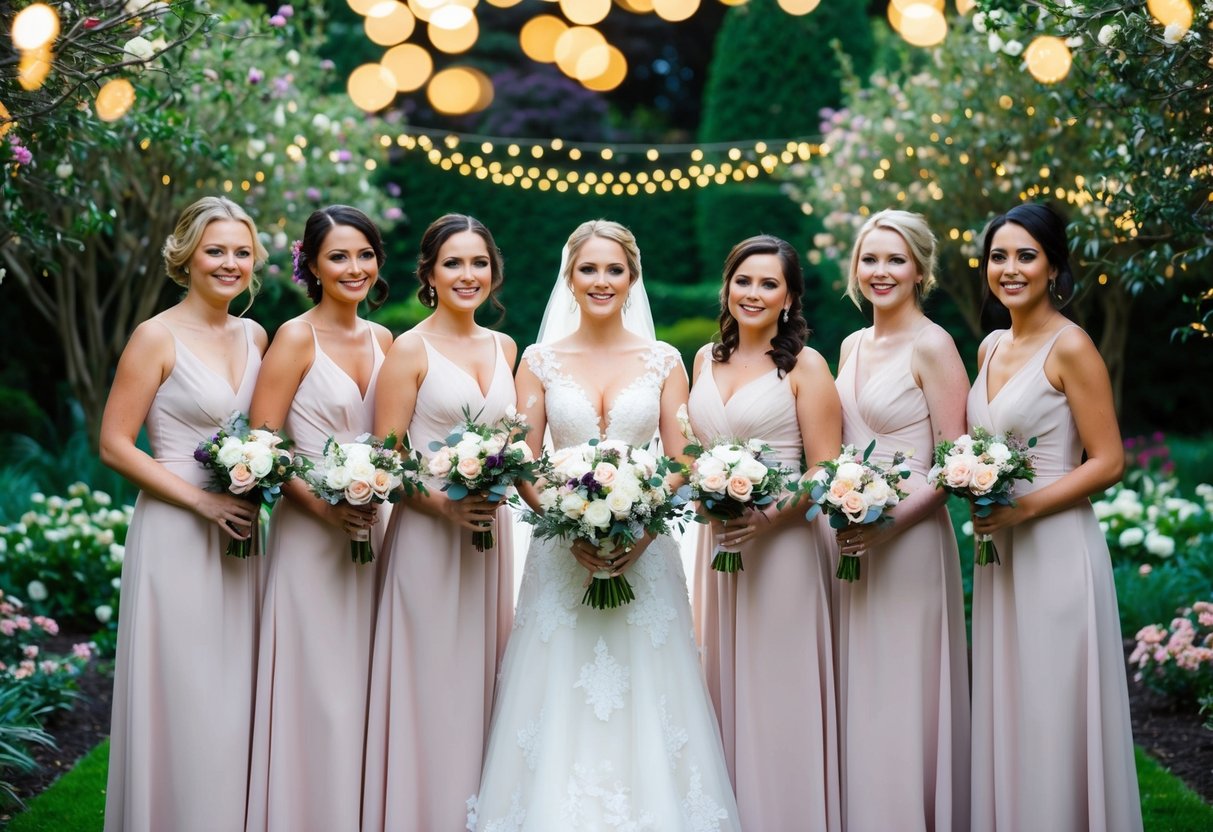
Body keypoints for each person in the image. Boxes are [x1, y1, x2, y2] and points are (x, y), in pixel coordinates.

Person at [470, 219, 740, 831]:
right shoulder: (537, 361)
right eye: (588, 269)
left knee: (648, 688)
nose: (601, 280)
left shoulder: (664, 360)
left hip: (645, 551)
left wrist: (642, 526)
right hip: (560, 554)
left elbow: (683, 458)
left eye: (614, 269)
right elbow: (522, 458)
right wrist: (564, 523)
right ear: (569, 277)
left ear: (632, 277)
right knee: (559, 688)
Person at [968, 202, 1142, 832]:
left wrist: (1024, 508)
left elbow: (1109, 460)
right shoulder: (990, 346)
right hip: (1001, 553)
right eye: (998, 256)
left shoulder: (1071, 346)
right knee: (1011, 699)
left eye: (1026, 256)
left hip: (1056, 547)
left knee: (1052, 701)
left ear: (1053, 267)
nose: (1010, 269)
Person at [100, 196, 268, 832]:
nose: (229, 263)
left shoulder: (256, 335)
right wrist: (201, 500)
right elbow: (114, 444)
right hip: (177, 528)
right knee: (185, 691)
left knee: (233, 694)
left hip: (242, 531)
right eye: (215, 250)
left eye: (241, 252)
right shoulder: (156, 336)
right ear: (187, 257)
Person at [361, 214, 517, 832]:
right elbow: (386, 458)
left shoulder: (505, 348)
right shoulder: (409, 349)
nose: (467, 275)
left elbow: (515, 442)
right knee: (429, 683)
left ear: (493, 273)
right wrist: (444, 504)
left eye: (479, 263)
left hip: (488, 541)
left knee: (480, 679)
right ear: (428, 273)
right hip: (428, 535)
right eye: (453, 263)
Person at [244, 205, 393, 832]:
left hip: (372, 532)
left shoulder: (385, 340)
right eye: (338, 256)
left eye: (364, 254)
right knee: (319, 691)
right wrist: (326, 509)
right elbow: (262, 446)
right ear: (311, 264)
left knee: (363, 687)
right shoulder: (294, 337)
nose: (354, 268)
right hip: (311, 536)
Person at [688, 234, 843, 831]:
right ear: (727, 287)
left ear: (789, 298)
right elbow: (691, 454)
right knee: (721, 685)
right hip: (719, 546)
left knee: (781, 691)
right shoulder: (705, 360)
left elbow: (824, 468)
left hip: (782, 548)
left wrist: (766, 518)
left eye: (769, 283)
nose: (753, 293)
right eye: (743, 280)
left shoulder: (806, 366)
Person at [832, 210, 971, 831]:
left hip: (908, 538)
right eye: (870, 259)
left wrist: (888, 523)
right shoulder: (850, 345)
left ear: (920, 270)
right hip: (849, 533)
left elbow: (954, 463)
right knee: (860, 683)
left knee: (903, 685)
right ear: (855, 268)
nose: (881, 271)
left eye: (896, 259)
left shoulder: (933, 345)